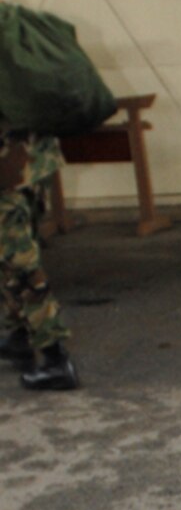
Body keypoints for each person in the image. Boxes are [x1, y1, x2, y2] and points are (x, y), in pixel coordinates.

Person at [0, 127, 79, 390]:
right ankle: (20, 336)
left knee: (18, 261)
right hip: (32, 157)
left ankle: (55, 358)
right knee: (15, 252)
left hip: (8, 165)